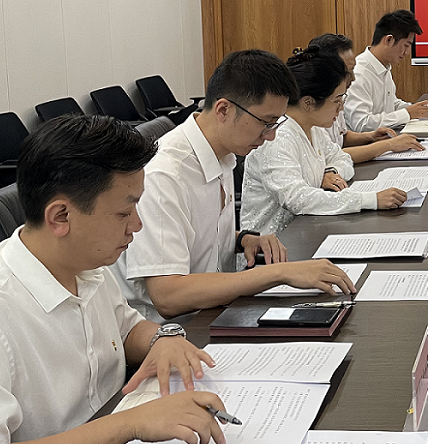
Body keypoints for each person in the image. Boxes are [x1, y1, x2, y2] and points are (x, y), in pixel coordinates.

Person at [0, 115, 228, 444]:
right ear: (61, 217)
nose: (137, 226)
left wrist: (163, 339)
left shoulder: (87, 266)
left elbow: (127, 327)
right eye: (124, 213)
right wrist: (130, 423)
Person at [113, 49, 355, 322]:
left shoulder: (223, 151)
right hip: (174, 331)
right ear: (224, 110)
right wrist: (279, 273)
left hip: (217, 311)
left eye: (276, 123)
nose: (271, 136)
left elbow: (194, 232)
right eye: (266, 123)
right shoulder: (165, 175)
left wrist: (242, 239)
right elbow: (168, 296)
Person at [241, 47, 408, 236]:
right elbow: (297, 198)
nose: (341, 108)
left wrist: (331, 172)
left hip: (309, 230)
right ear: (308, 102)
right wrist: (370, 200)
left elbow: (342, 158)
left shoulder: (314, 128)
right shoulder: (277, 138)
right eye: (337, 100)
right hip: (273, 245)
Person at [309, 32, 425, 162]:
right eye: (348, 71)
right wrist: (388, 145)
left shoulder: (336, 97)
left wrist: (370, 137)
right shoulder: (314, 104)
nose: (353, 77)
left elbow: (341, 136)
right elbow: (332, 156)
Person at [343, 9, 428, 132]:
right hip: (367, 142)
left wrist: (419, 109)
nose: (407, 52)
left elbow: (391, 105)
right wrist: (407, 113)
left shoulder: (383, 67)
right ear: (388, 40)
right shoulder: (359, 73)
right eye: (406, 45)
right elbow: (361, 124)